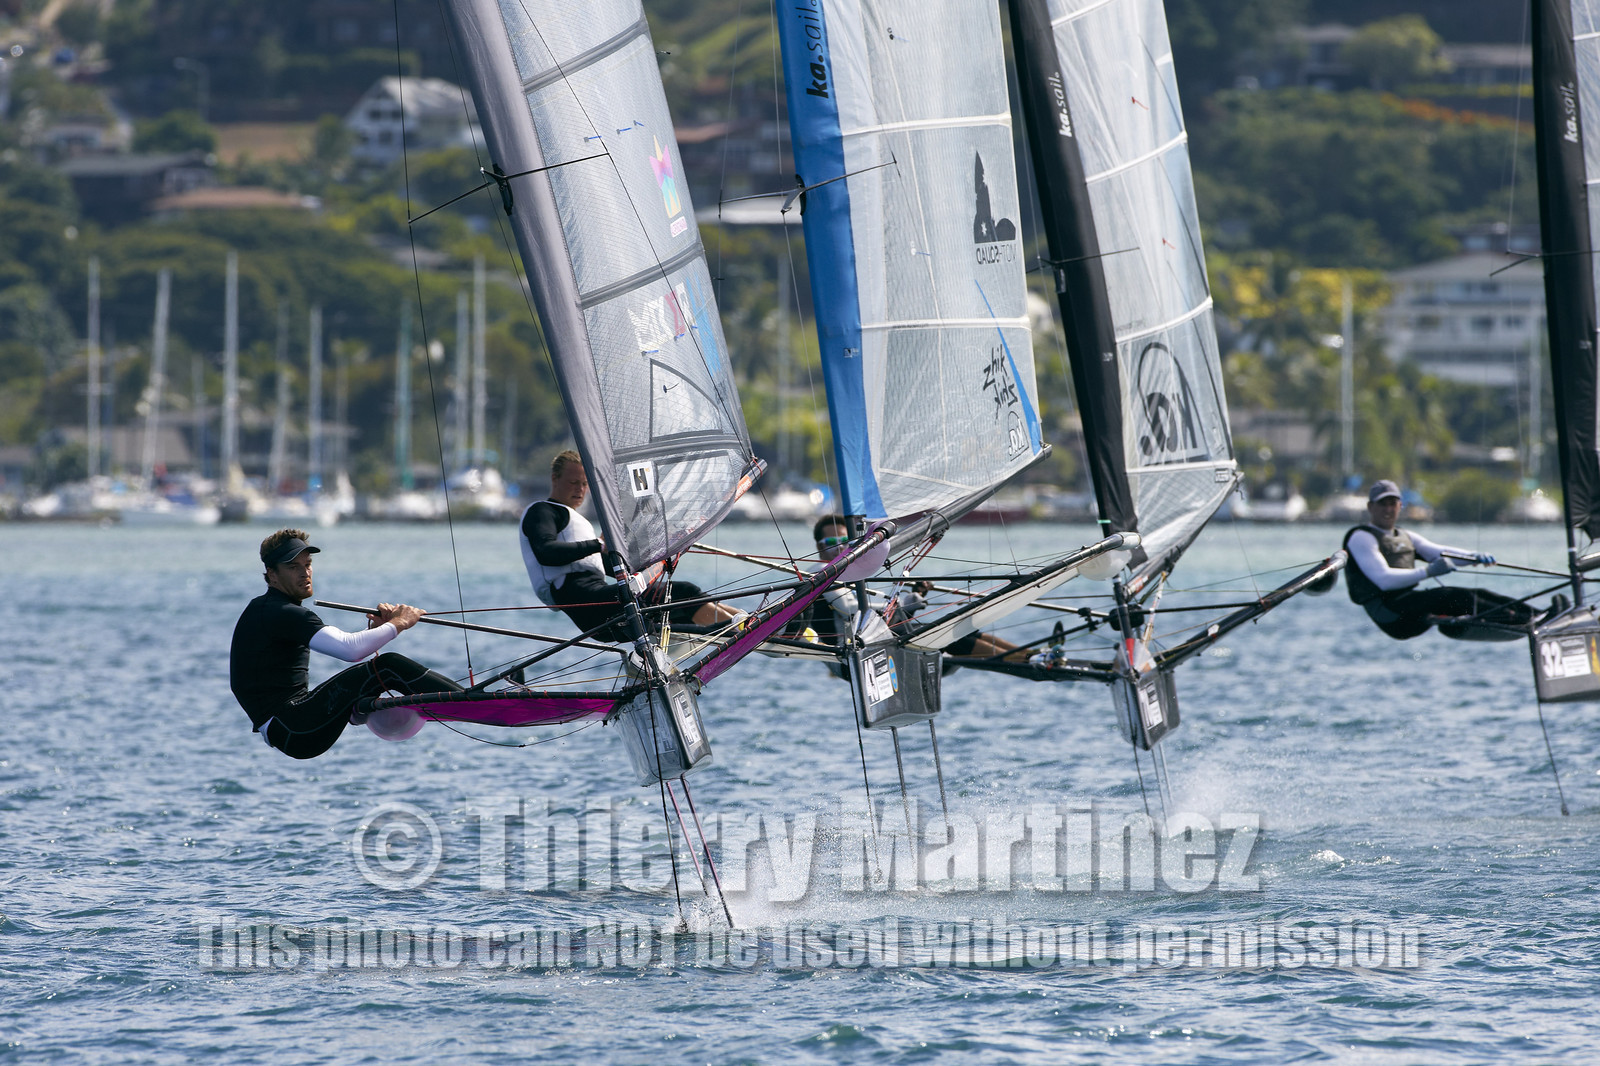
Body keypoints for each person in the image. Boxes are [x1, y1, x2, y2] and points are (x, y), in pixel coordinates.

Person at [229, 529, 462, 759]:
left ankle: (468, 699)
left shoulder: (268, 609)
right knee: (388, 666)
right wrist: (399, 623)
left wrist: (376, 631)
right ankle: (470, 701)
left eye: (307, 564)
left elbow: (353, 652)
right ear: (272, 574)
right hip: (290, 725)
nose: (304, 573)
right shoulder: (280, 612)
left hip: (289, 729)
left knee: (376, 676)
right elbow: (349, 649)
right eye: (293, 567)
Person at [520, 450, 743, 641]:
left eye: (585, 484)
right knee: (680, 594)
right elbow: (545, 552)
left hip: (603, 603)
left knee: (681, 598)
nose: (580, 489)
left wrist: (656, 552)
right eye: (573, 482)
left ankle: (748, 622)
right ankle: (739, 628)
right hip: (588, 606)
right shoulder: (541, 511)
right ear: (554, 479)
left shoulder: (577, 522)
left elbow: (612, 567)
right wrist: (598, 544)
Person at [805, 514, 1025, 660]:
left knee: (953, 630)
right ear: (818, 547)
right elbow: (851, 609)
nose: (839, 548)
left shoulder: (848, 571)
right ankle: (1026, 659)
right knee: (940, 635)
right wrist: (904, 601)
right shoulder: (821, 570)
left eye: (844, 541)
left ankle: (1030, 655)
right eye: (831, 543)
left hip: (872, 636)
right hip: (851, 650)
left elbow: (871, 613)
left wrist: (913, 598)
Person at [1343, 480, 1539, 641]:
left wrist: (1472, 557)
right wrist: (1428, 572)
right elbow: (1383, 580)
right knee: (1450, 595)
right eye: (1382, 504)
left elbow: (1439, 552)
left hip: (1408, 606)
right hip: (1389, 614)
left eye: (1392, 503)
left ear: (1400, 506)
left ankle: (1539, 616)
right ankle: (1523, 620)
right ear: (1370, 507)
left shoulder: (1405, 536)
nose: (1387, 509)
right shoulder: (1361, 537)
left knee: (1478, 593)